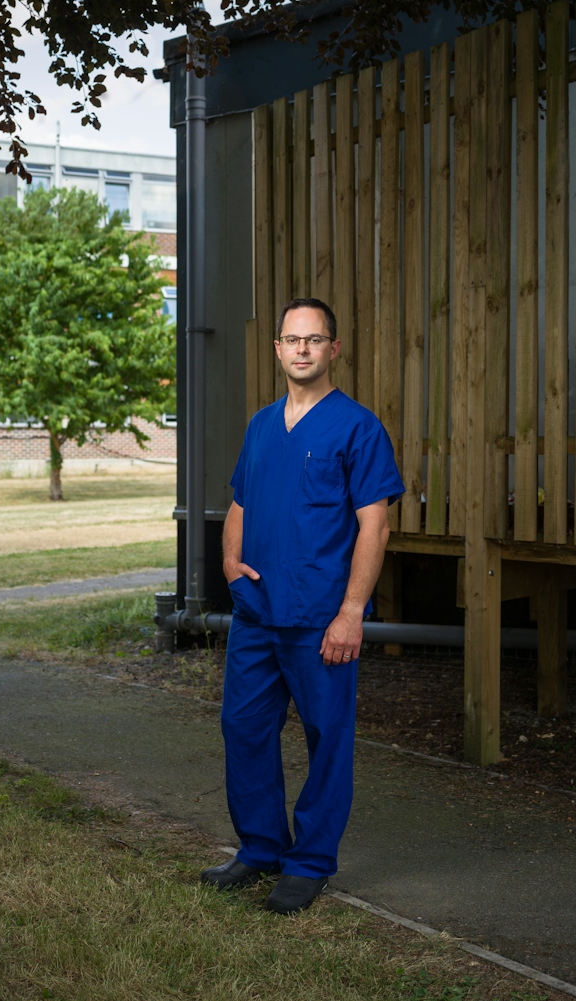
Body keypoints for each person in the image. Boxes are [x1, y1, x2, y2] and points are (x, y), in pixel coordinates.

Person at [201, 296, 404, 915]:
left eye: (314, 340)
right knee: (244, 727)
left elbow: (376, 527)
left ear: (332, 349)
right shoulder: (261, 426)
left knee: (326, 739)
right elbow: (239, 505)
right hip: (258, 615)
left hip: (320, 618)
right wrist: (231, 566)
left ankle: (309, 862)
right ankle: (261, 848)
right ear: (278, 349)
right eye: (292, 340)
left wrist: (351, 613)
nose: (302, 349)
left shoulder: (358, 427)